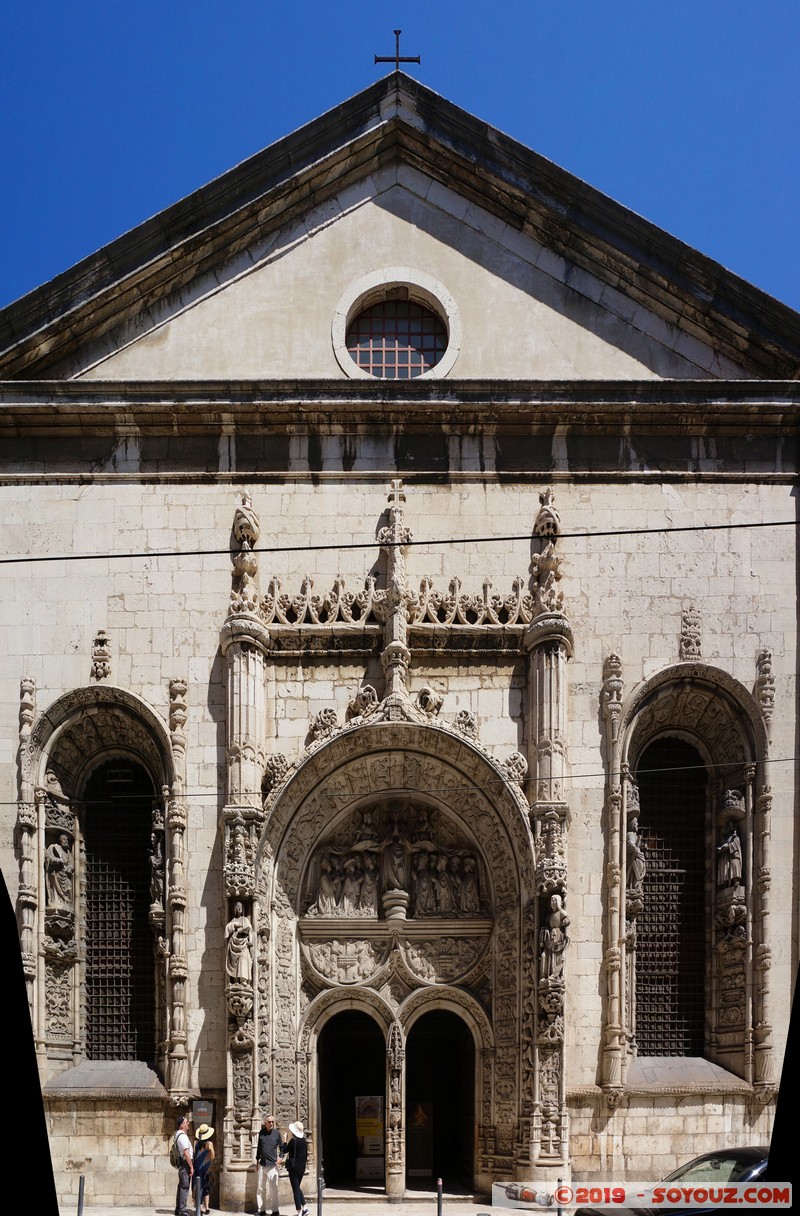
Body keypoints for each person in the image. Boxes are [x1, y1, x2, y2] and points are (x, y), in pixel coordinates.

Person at [256, 1113, 282, 1216]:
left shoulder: (277, 1133)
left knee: (273, 1189)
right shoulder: (261, 1133)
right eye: (269, 1122)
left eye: (272, 1122)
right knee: (260, 1188)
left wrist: (280, 1158)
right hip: (262, 1164)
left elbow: (282, 1148)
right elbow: (259, 1148)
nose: (271, 1123)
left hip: (272, 1166)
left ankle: (275, 1211)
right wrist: (256, 1162)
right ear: (265, 1123)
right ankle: (261, 1210)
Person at [282, 1120, 309, 1216]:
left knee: (295, 1190)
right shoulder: (304, 1141)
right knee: (297, 1188)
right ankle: (305, 1207)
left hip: (293, 1169)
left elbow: (284, 1150)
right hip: (301, 1168)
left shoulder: (293, 1141)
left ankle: (299, 1211)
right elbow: (305, 1155)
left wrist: (285, 1140)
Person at [225, 901, 254, 982]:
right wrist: (234, 925)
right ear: (235, 909)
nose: (239, 908)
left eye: (241, 906)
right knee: (234, 963)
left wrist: (249, 941)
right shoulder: (233, 920)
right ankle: (235, 981)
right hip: (234, 944)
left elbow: (250, 931)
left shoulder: (245, 919)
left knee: (243, 959)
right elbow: (227, 929)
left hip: (243, 944)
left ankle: (243, 980)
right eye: (237, 906)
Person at [44, 833, 73, 910]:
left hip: (65, 874)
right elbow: (48, 856)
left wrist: (70, 868)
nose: (65, 841)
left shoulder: (68, 852)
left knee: (69, 888)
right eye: (64, 839)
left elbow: (71, 864)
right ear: (60, 840)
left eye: (66, 840)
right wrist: (58, 860)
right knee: (55, 889)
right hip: (56, 873)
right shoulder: (54, 847)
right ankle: (56, 903)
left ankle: (67, 904)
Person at [173, 1114, 194, 1216]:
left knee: (181, 1186)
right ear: (182, 1125)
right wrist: (191, 1166)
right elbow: (186, 1153)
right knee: (184, 1187)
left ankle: (179, 1209)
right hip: (185, 1164)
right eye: (186, 1122)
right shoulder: (182, 1136)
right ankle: (182, 1210)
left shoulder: (177, 1135)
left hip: (183, 1164)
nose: (188, 1123)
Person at [194, 1123, 215, 1215]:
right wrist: (210, 1149)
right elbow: (213, 1157)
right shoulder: (209, 1143)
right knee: (204, 1186)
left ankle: (204, 1207)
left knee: (202, 1186)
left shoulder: (196, 1142)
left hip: (199, 1167)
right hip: (206, 1167)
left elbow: (195, 1154)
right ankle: (203, 1207)